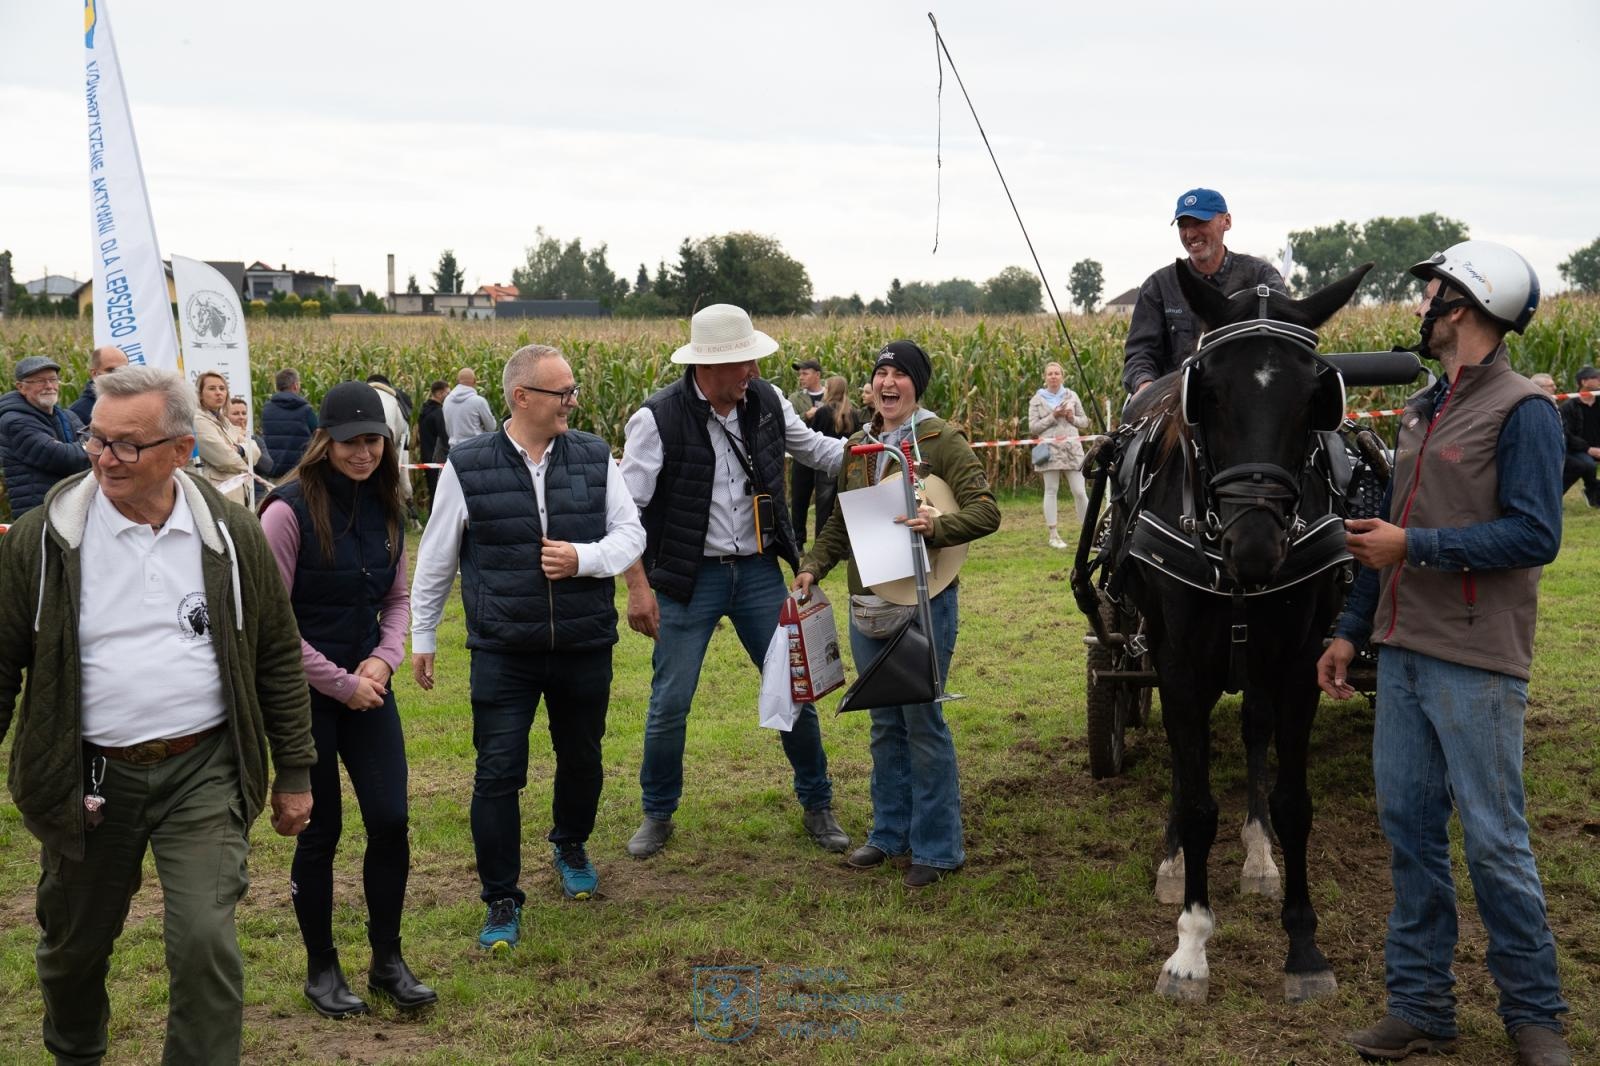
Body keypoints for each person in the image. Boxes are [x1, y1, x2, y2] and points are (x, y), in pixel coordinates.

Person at [0, 364, 315, 1065]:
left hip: (202, 770)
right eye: (96, 441)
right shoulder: (43, 539)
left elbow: (275, 653)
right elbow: (0, 663)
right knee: (71, 950)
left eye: (126, 445)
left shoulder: (230, 534)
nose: (104, 458)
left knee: (206, 942)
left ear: (181, 450)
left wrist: (295, 769)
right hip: (88, 778)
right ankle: (76, 1050)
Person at [1316, 241, 1571, 1066]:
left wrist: (1413, 547)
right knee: (1409, 834)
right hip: (1401, 654)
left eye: (1432, 293)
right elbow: (1380, 538)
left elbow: (1537, 533)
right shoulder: (1425, 409)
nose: (1421, 305)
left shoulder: (1524, 410)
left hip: (1476, 661)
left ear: (1464, 305)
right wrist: (1350, 630)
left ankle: (1536, 1018)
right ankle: (1421, 1004)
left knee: (1495, 840)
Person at [411, 345, 644, 951]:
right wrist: (423, 634)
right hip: (502, 648)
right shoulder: (467, 465)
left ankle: (570, 842)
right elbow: (437, 555)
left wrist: (584, 559)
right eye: (561, 392)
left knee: (582, 758)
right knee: (496, 774)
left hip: (582, 641)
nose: (572, 401)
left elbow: (630, 533)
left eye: (572, 391)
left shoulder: (595, 455)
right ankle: (500, 899)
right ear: (522, 398)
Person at [619, 303, 847, 859]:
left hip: (756, 574)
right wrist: (638, 587)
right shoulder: (657, 419)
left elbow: (817, 451)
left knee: (795, 689)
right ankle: (658, 813)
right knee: (670, 701)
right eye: (742, 362)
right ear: (708, 366)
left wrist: (886, 450)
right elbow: (624, 511)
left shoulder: (765, 401)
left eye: (752, 360)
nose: (752, 370)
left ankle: (818, 804)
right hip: (684, 579)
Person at [793, 339, 1000, 888]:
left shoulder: (942, 439)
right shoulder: (857, 446)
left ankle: (937, 848)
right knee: (885, 721)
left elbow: (986, 511)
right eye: (881, 373)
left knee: (922, 720)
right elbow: (841, 521)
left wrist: (939, 526)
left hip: (926, 602)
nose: (888, 383)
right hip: (869, 601)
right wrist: (814, 564)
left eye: (900, 374)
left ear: (916, 384)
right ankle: (890, 834)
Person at [259, 381, 434, 1019]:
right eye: (351, 441)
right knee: (321, 830)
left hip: (369, 688)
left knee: (390, 820)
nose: (363, 453)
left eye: (374, 441)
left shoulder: (389, 504)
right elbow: (273, 626)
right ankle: (321, 967)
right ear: (324, 441)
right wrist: (342, 681)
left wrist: (383, 660)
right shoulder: (285, 511)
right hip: (307, 695)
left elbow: (397, 599)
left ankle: (388, 960)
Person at [1122, 187, 1285, 395]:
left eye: (1200, 223)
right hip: (1176, 404)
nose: (1190, 234)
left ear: (1226, 222)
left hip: (1248, 399)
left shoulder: (1261, 277)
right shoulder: (1158, 286)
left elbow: (1283, 343)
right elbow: (1140, 354)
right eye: (1183, 225)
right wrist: (1145, 386)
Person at [0, 355, 89, 517]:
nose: (49, 386)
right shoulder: (14, 422)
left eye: (53, 379)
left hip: (70, 509)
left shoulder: (67, 416)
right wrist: (89, 447)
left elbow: (96, 442)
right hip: (39, 514)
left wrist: (88, 446)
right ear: (21, 387)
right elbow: (65, 459)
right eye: (40, 381)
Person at [1028, 361, 1090, 547]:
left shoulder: (1072, 396)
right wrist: (1053, 416)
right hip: (1049, 451)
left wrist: (1072, 418)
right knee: (1051, 490)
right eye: (1050, 374)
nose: (1053, 376)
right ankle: (1053, 535)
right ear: (1045, 377)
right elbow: (1033, 427)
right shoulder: (1037, 400)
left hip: (1072, 449)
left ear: (1062, 376)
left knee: (1079, 491)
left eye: (1056, 373)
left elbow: (1085, 421)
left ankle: (1088, 532)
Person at [193, 370, 258, 506]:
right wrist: (248, 466)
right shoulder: (198, 422)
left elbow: (256, 451)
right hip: (217, 497)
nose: (219, 392)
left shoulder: (225, 422)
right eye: (212, 388)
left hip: (237, 494)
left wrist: (239, 449)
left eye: (222, 388)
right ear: (200, 394)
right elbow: (226, 460)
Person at [808, 375, 860, 535]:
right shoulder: (853, 413)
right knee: (845, 507)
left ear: (830, 390)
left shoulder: (822, 412)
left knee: (824, 508)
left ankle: (822, 539)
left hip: (826, 467)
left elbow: (812, 438)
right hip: (848, 465)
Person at [788, 358, 827, 547]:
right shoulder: (795, 399)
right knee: (799, 499)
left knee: (824, 499)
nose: (801, 377)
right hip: (802, 456)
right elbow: (789, 424)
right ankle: (798, 542)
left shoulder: (830, 395)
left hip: (825, 454)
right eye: (799, 374)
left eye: (805, 373)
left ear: (817, 375)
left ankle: (823, 542)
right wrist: (807, 415)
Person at [262, 367, 319, 479]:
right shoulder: (305, 410)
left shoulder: (267, 409)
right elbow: (318, 435)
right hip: (298, 471)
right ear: (295, 386)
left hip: (273, 470)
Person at [1557, 365, 1600, 507]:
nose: (1599, 380)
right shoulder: (1568, 407)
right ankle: (1592, 491)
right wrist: (1588, 449)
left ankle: (1594, 491)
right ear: (1584, 382)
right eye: (1596, 378)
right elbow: (1566, 434)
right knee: (1588, 464)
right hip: (1578, 449)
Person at [68, 345, 129, 424]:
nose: (118, 375)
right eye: (111, 370)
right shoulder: (76, 414)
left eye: (123, 370)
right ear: (94, 374)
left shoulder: (134, 402)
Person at [228, 395, 276, 487]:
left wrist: (246, 443)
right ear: (225, 417)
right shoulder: (223, 439)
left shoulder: (255, 439)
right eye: (236, 414)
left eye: (244, 413)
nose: (241, 417)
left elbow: (268, 467)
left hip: (256, 493)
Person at [443, 367, 497, 446]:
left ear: (457, 381)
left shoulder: (447, 400)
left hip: (454, 450)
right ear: (475, 381)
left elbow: (448, 429)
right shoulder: (479, 401)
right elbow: (491, 427)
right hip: (475, 449)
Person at [416, 379, 449, 504]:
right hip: (437, 459)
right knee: (439, 495)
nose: (448, 396)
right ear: (440, 394)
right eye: (447, 393)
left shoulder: (423, 411)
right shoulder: (438, 413)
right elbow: (444, 438)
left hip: (426, 456)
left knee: (433, 493)